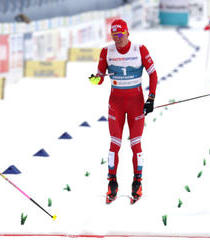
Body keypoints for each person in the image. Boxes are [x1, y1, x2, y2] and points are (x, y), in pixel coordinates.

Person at [89, 19, 158, 204]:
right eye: (114, 36)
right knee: (115, 144)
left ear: (128, 33)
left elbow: (153, 74)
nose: (118, 39)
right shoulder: (106, 52)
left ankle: (138, 182)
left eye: (120, 35)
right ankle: (112, 182)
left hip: (136, 103)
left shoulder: (139, 49)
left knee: (136, 144)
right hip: (116, 105)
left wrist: (151, 98)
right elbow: (100, 79)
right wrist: (94, 79)